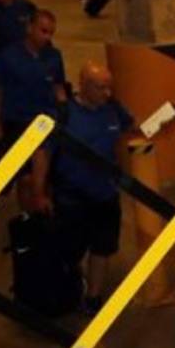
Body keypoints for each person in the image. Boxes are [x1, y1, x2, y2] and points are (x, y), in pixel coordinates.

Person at [48, 63, 133, 312]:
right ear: (83, 85)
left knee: (102, 247)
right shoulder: (64, 115)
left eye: (110, 88)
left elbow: (127, 131)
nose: (107, 93)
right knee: (71, 249)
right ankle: (73, 284)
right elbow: (43, 152)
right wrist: (40, 191)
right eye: (100, 87)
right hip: (72, 198)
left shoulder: (113, 110)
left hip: (105, 195)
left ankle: (93, 297)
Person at [0, 9, 67, 212]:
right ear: (29, 28)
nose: (47, 37)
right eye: (43, 31)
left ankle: (45, 212)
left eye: (51, 32)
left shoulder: (54, 56)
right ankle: (27, 215)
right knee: (25, 180)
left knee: (45, 176)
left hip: (45, 121)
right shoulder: (7, 57)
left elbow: (58, 87)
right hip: (17, 121)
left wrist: (65, 111)